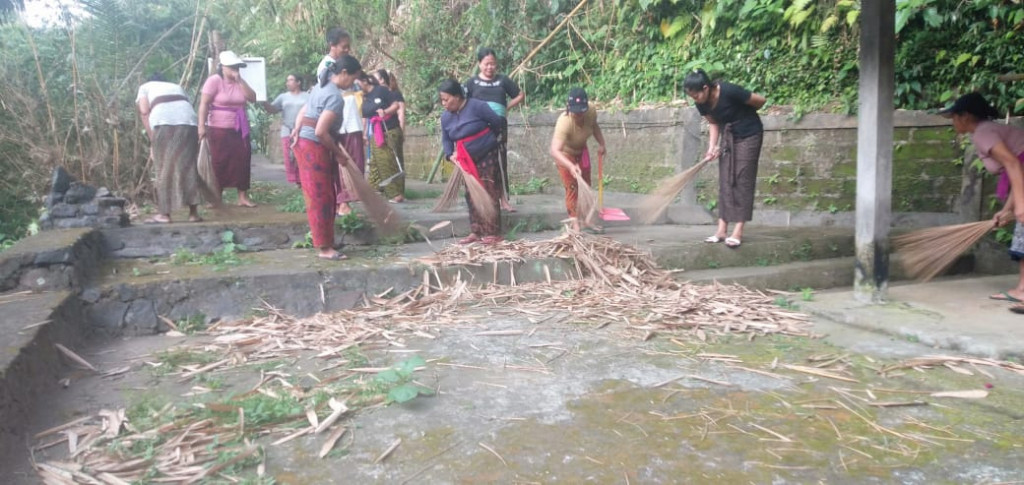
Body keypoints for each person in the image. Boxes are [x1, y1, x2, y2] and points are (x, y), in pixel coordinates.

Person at [939, 93, 1024, 310]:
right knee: (1022, 237)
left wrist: (1021, 205)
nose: (953, 122)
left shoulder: (983, 133)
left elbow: (1014, 164)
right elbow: (1018, 169)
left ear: (965, 116)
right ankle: (1022, 290)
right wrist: (1008, 210)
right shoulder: (987, 130)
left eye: (954, 117)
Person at [683, 69, 766, 248]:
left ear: (706, 88)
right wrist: (712, 147)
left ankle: (738, 231)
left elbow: (760, 101)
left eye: (696, 95)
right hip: (729, 136)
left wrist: (744, 115)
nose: (695, 99)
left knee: (742, 180)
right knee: (726, 180)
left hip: (749, 134)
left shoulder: (729, 91)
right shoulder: (701, 104)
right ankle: (721, 230)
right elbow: (713, 122)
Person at [293, 55, 363, 261]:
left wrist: (297, 129)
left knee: (326, 195)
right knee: (320, 197)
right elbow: (321, 131)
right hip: (313, 147)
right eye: (352, 78)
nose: (353, 84)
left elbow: (306, 112)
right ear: (343, 74)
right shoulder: (334, 97)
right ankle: (325, 248)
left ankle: (327, 241)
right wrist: (340, 154)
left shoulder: (320, 87)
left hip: (307, 145)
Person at [438, 79, 505, 244]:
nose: (443, 103)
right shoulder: (446, 117)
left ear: (457, 97)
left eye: (446, 99)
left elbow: (498, 123)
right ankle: (476, 230)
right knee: (471, 194)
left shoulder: (477, 106)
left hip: (487, 154)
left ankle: (492, 232)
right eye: (442, 100)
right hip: (465, 160)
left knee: (489, 189)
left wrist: (488, 141)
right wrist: (449, 154)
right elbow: (446, 139)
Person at [135, 73, 203, 223]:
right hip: (189, 122)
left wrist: (153, 138)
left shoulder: (145, 87)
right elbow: (186, 106)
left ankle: (164, 214)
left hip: (164, 122)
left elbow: (144, 111)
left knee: (163, 167)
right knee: (188, 166)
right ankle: (193, 214)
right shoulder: (176, 87)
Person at [311, 27, 365, 216]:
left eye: (349, 47)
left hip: (351, 121)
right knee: (343, 162)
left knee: (354, 162)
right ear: (332, 45)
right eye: (344, 46)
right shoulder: (327, 67)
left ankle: (346, 201)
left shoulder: (343, 65)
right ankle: (342, 202)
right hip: (341, 124)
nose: (347, 50)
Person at [465, 47, 525, 213]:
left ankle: (503, 200)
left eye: (493, 64)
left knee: (500, 161)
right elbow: (462, 102)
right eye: (486, 64)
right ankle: (482, 198)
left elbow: (520, 95)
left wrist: (506, 108)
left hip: (498, 126)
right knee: (481, 163)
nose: (490, 67)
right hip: (478, 129)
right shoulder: (471, 83)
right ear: (479, 64)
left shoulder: (503, 81)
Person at [198, 50, 258, 207]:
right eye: (232, 67)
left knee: (243, 159)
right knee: (219, 161)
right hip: (219, 127)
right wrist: (201, 126)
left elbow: (253, 98)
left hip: (240, 128)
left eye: (237, 66)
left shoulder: (240, 83)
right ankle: (216, 196)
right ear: (223, 67)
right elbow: (204, 104)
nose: (235, 69)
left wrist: (240, 81)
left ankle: (242, 196)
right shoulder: (214, 81)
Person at [550, 87, 607, 232]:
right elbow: (554, 150)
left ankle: (587, 220)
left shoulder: (591, 111)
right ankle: (575, 225)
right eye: (575, 111)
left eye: (582, 110)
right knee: (572, 188)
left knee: (586, 186)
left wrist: (602, 143)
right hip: (565, 155)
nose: (579, 114)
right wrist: (570, 166)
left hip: (582, 152)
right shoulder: (564, 122)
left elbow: (594, 126)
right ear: (568, 107)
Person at [360, 75, 404, 202]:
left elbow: (396, 105)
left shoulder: (381, 90)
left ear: (365, 80)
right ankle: (379, 189)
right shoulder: (365, 97)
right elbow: (365, 118)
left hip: (389, 129)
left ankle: (396, 194)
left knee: (389, 162)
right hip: (375, 131)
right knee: (377, 162)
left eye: (357, 82)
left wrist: (385, 112)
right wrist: (364, 134)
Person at [261, 73, 308, 186]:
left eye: (291, 80)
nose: (288, 83)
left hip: (303, 130)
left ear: (298, 82)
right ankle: (294, 180)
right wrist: (264, 102)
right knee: (289, 156)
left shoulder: (307, 96)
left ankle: (304, 179)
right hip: (287, 129)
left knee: (303, 155)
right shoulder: (283, 97)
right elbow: (272, 109)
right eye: (287, 80)